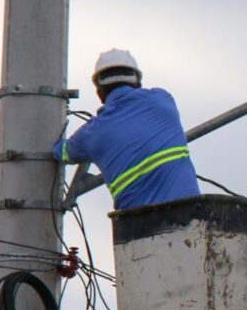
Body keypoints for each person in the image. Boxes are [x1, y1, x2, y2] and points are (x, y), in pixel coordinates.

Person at [53, 48, 200, 210]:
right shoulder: (164, 100)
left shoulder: (91, 134)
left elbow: (63, 151)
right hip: (192, 216)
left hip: (137, 227)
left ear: (99, 93)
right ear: (137, 82)